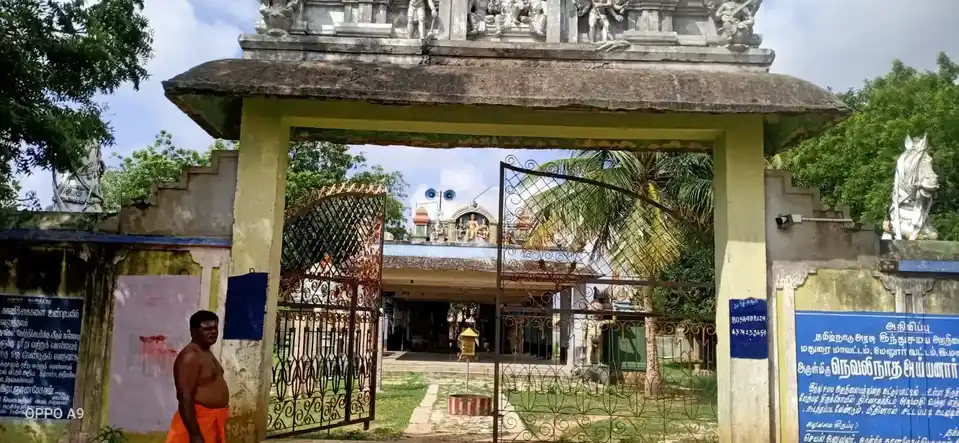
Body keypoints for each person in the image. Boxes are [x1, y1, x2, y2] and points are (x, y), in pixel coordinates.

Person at [166, 310, 230, 443]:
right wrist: (195, 434)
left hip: (213, 422)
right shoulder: (190, 356)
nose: (213, 332)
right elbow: (185, 397)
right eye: (207, 328)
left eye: (215, 328)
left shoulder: (206, 352)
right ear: (193, 331)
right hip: (197, 425)